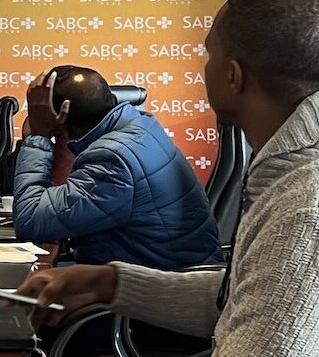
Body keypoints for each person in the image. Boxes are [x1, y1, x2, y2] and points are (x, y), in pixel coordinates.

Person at [18, 0, 319, 355]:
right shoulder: (288, 175)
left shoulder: (306, 208)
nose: (204, 67)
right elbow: (233, 299)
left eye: (209, 54)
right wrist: (108, 282)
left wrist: (37, 137)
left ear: (233, 76)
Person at [12, 64, 219, 269]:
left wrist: (38, 137)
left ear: (61, 119)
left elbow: (30, 219)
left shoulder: (112, 160)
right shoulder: (139, 125)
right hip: (164, 267)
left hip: (164, 286)